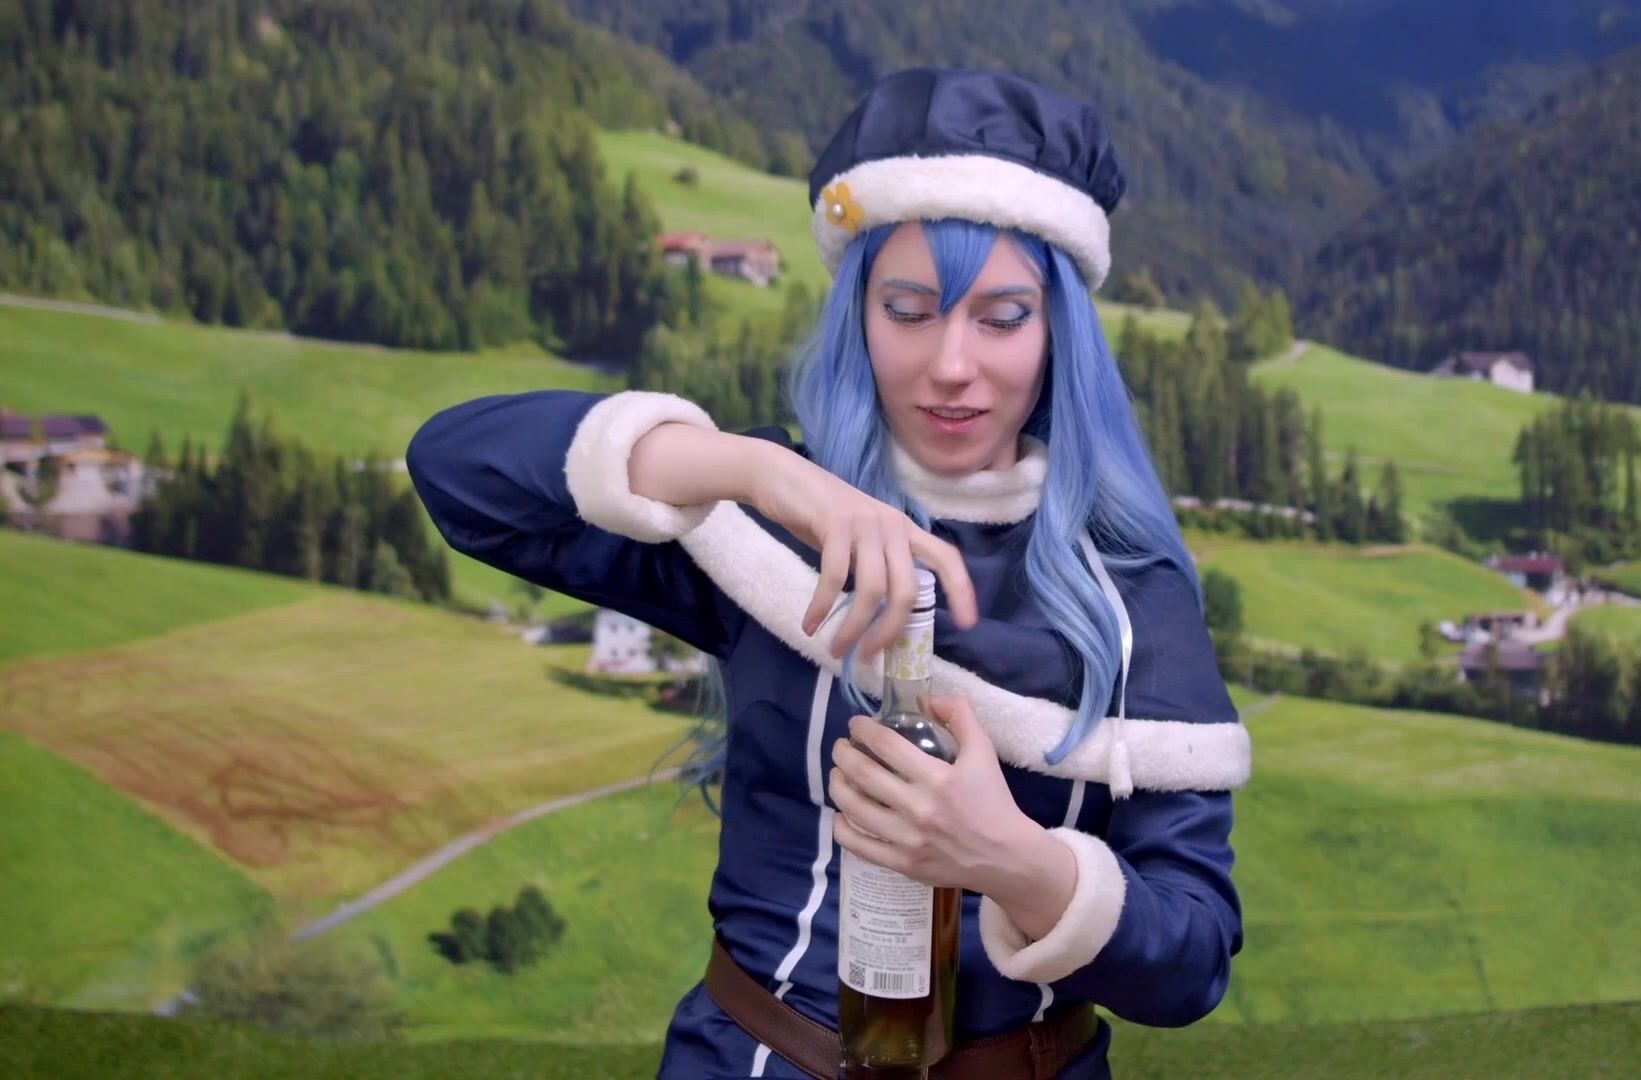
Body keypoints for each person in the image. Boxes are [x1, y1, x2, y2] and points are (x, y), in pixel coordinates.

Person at [407, 67, 1248, 1080]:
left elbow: (1193, 964)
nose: (951, 363)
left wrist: (1009, 858)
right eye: (909, 310)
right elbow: (459, 473)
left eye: (1001, 316)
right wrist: (758, 470)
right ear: (861, 316)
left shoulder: (1135, 592)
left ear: (1057, 328)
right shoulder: (763, 519)